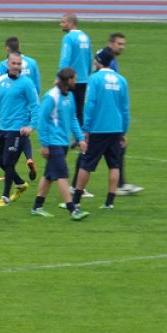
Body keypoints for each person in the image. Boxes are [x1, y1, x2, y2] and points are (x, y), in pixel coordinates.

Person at [72, 48, 130, 211]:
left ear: (99, 61)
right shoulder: (121, 80)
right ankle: (109, 202)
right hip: (116, 128)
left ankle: (75, 201)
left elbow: (90, 105)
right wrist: (123, 131)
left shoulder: (95, 79)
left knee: (86, 164)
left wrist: (86, 129)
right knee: (114, 165)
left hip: (98, 128)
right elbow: (125, 109)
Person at [30, 68, 90, 221]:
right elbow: (42, 121)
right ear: (68, 80)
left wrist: (80, 138)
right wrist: (44, 144)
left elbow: (74, 119)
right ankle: (72, 209)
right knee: (62, 175)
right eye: (74, 79)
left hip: (63, 142)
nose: (76, 82)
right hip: (53, 142)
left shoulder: (69, 96)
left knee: (49, 175)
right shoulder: (51, 97)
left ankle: (37, 207)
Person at [0, 52, 40, 207]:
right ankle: (20, 183)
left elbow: (35, 105)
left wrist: (31, 126)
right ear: (8, 64)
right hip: (2, 127)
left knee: (9, 162)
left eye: (19, 64)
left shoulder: (27, 83)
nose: (17, 66)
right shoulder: (1, 81)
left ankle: (5, 197)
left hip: (17, 129)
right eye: (14, 63)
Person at [102, 34, 144, 196]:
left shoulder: (107, 57)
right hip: (107, 116)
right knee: (90, 154)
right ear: (110, 43)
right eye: (119, 44)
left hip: (107, 115)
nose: (122, 47)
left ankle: (120, 184)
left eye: (123, 44)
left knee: (113, 150)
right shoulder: (108, 61)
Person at [0, 36, 41, 180]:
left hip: (14, 107)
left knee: (11, 137)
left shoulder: (4, 64)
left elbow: (0, 89)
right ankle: (29, 158)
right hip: (29, 103)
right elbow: (37, 86)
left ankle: (9, 172)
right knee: (24, 134)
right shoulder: (32, 63)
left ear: (7, 49)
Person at [58, 13, 93, 197]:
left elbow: (65, 59)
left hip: (70, 79)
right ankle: (79, 136)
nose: (60, 24)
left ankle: (70, 136)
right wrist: (86, 75)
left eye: (63, 21)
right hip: (83, 79)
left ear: (71, 23)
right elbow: (88, 59)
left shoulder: (69, 38)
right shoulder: (85, 36)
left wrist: (60, 77)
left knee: (66, 109)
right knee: (79, 110)